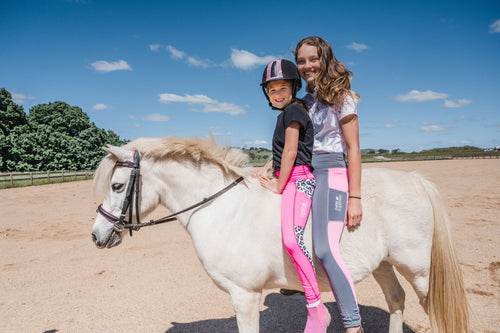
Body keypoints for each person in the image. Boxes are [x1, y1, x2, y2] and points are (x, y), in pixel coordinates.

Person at [294, 36, 364, 333]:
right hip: (306, 171)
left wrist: (355, 196)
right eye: (301, 61)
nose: (307, 66)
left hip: (332, 171)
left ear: (324, 58)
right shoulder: (302, 100)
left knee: (323, 249)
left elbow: (354, 148)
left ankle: (353, 325)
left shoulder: (342, 95)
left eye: (313, 58)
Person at [257, 59, 331, 333]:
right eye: (272, 89)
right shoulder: (285, 113)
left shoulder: (294, 112)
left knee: (292, 238)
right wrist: (266, 170)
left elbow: (290, 152)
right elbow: (280, 154)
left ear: (294, 87)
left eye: (282, 88)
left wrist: (278, 185)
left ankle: (316, 308)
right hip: (290, 177)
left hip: (299, 181)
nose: (277, 94)